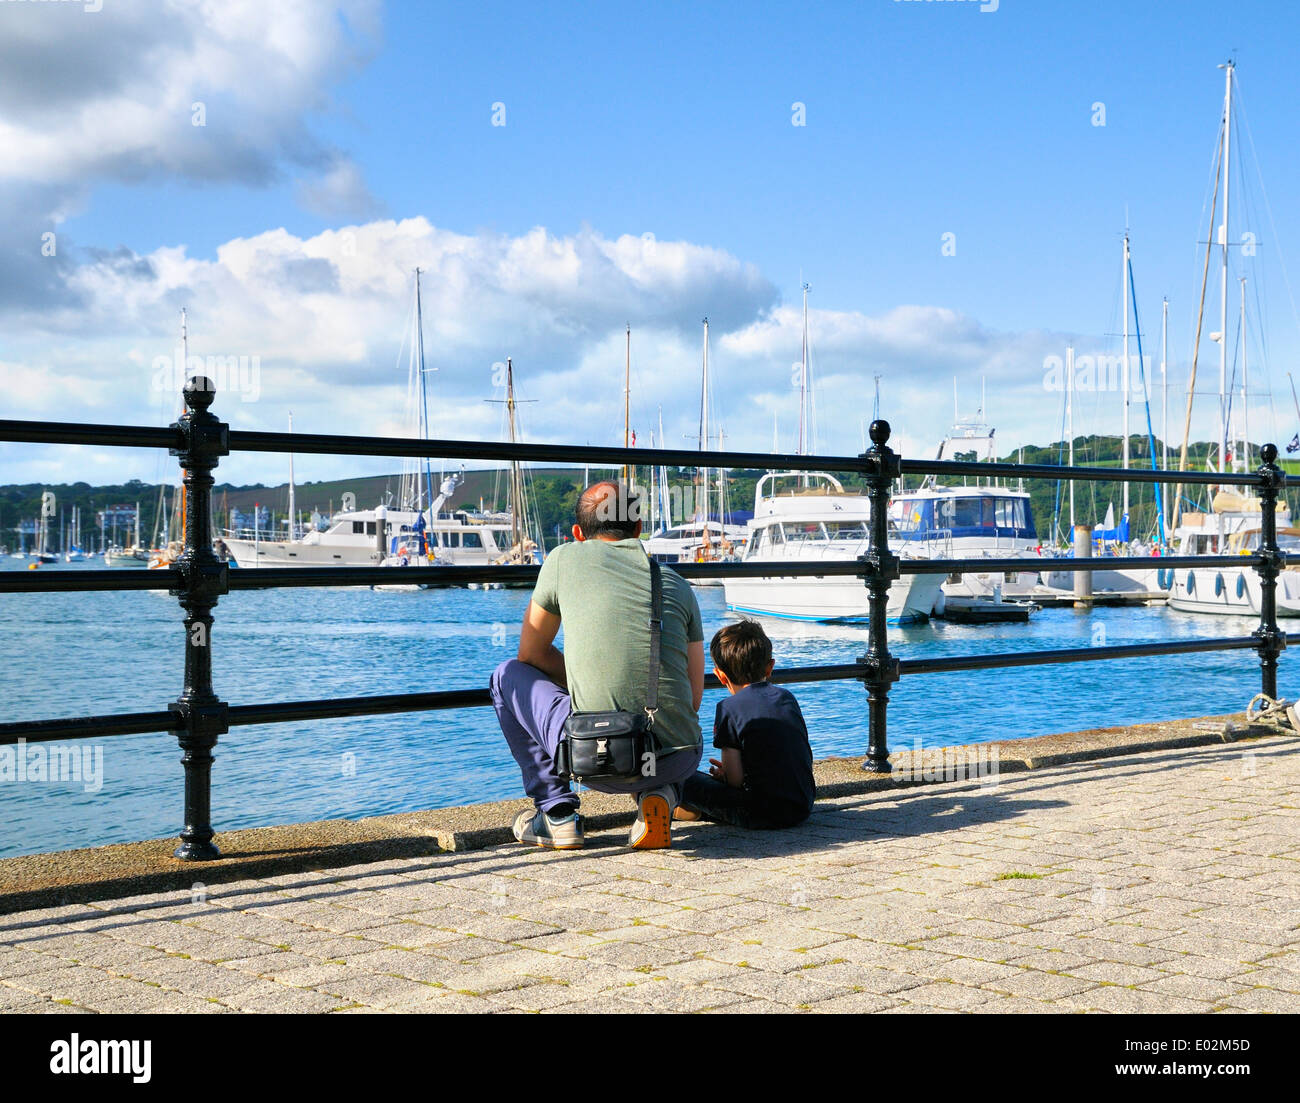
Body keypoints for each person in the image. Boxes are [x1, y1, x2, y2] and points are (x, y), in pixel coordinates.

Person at [490, 481, 704, 850]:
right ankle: (662, 795)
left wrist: (583, 684)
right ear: (639, 529)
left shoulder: (562, 559)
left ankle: (557, 815)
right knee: (668, 720)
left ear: (577, 534)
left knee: (506, 674)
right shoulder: (679, 585)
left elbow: (531, 653)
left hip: (594, 759)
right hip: (676, 758)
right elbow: (693, 697)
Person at [677, 619, 815, 830]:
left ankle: (681, 809)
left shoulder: (728, 708)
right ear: (770, 667)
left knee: (683, 778)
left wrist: (727, 775)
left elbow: (734, 781)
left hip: (759, 813)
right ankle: (697, 812)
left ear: (721, 676)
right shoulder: (787, 698)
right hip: (802, 806)